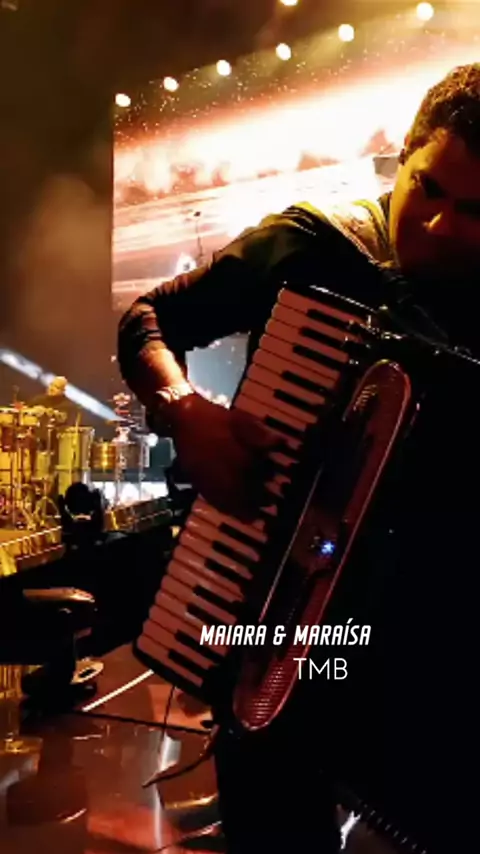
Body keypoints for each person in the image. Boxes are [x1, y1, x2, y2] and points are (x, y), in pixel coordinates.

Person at [117, 64, 480, 853]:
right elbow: (148, 319)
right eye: (429, 189)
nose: (441, 225)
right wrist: (186, 413)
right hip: (271, 626)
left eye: (475, 212)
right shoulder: (320, 247)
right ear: (405, 154)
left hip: (426, 671)